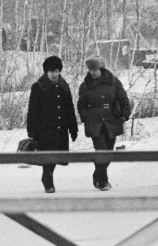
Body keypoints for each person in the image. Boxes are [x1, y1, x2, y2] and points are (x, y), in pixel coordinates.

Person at [77, 55, 131, 191]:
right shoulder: (85, 85)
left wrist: (124, 116)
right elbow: (81, 105)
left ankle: (97, 174)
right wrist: (86, 118)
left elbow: (124, 100)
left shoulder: (114, 82)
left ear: (101, 68)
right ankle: (102, 181)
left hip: (112, 121)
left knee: (109, 153)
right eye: (90, 69)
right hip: (95, 123)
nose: (92, 72)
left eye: (95, 69)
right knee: (101, 151)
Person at [26, 56, 78, 193]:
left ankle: (47, 176)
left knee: (56, 155)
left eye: (56, 71)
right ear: (46, 72)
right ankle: (47, 179)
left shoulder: (64, 86)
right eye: (51, 71)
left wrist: (73, 128)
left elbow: (69, 109)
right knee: (48, 155)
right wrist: (31, 130)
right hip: (44, 129)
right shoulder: (38, 87)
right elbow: (33, 110)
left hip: (61, 128)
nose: (54, 74)